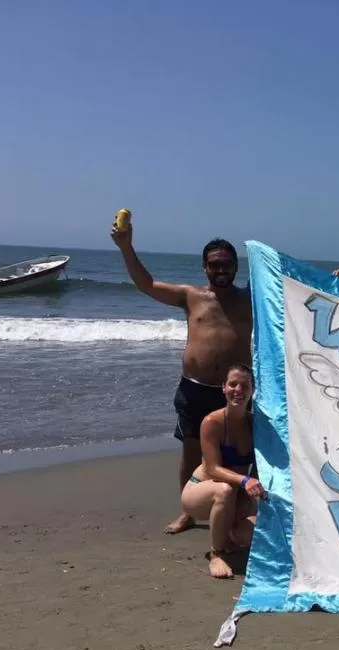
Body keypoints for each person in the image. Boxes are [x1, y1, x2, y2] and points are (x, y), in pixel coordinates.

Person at [111, 222, 253, 534]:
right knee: (191, 452)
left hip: (235, 392)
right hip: (195, 389)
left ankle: (236, 511)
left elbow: (296, 300)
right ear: (204, 267)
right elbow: (147, 284)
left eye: (226, 264)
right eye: (214, 264)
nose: (220, 269)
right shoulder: (191, 296)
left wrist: (332, 282)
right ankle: (187, 511)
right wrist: (126, 247)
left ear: (236, 267)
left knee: (239, 453)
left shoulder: (251, 299)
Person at [181, 364, 267, 578]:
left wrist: (254, 486)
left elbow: (260, 463)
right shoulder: (212, 422)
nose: (238, 390)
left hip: (237, 491)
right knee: (224, 490)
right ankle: (216, 553)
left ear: (252, 390)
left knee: (245, 538)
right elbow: (212, 468)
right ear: (223, 387)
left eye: (244, 385)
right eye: (232, 384)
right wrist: (246, 480)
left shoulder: (254, 424)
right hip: (200, 490)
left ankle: (225, 533)